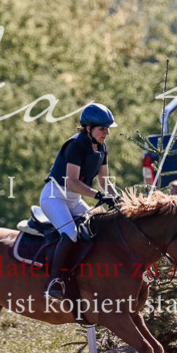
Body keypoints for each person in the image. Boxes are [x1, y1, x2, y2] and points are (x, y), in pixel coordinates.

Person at [40, 102, 120, 300]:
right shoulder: (76, 145)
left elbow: (104, 181)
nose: (107, 133)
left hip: (74, 199)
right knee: (70, 233)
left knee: (96, 229)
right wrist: (99, 196)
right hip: (55, 196)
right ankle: (54, 281)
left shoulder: (102, 147)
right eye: (102, 129)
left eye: (107, 128)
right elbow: (72, 182)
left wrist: (118, 198)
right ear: (88, 128)